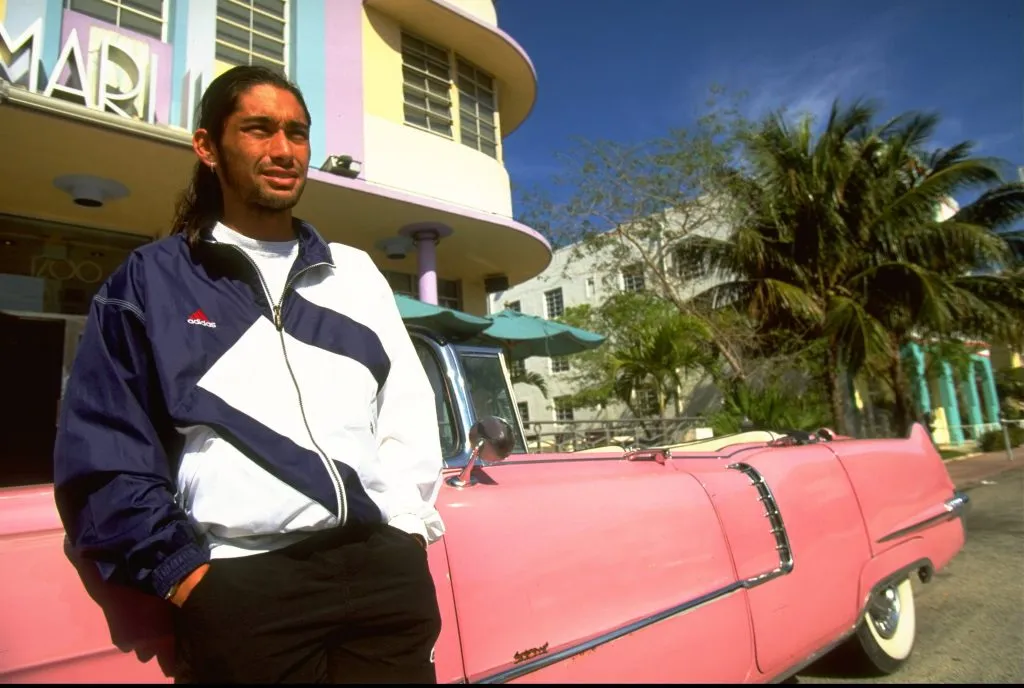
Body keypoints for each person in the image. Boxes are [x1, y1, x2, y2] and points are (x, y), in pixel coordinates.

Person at [53, 65, 445, 684]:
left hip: (382, 579)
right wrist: (182, 573)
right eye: (258, 129)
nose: (283, 150)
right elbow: (104, 446)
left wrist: (406, 530)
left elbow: (405, 412)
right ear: (207, 146)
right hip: (244, 591)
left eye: (297, 132)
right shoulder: (151, 280)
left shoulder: (356, 274)